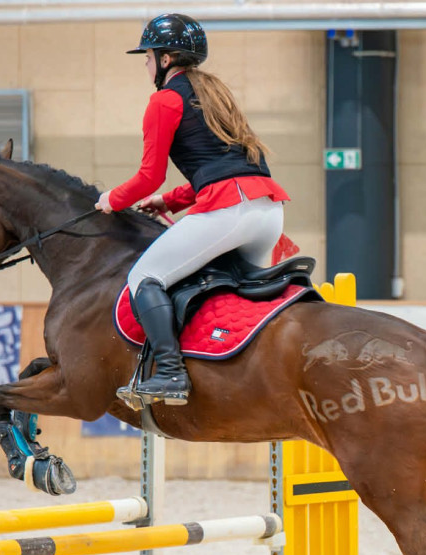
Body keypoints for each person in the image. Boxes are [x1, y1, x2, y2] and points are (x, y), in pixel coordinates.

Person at [95, 13, 290, 406]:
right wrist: (170, 201)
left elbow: (148, 176)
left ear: (165, 59)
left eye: (148, 56)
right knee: (229, 287)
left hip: (230, 212)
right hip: (267, 212)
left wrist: (111, 199)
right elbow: (222, 165)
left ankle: (169, 372)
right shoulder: (217, 94)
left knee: (145, 276)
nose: (146, 64)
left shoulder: (164, 100)